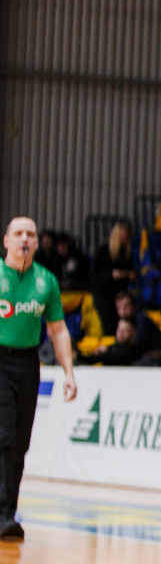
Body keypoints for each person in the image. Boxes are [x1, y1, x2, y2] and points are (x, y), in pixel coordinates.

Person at [0, 217, 77, 540]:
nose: (25, 239)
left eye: (30, 234)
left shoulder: (46, 281)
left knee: (20, 442)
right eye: (18, 233)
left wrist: (68, 372)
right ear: (6, 241)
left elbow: (58, 330)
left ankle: (9, 511)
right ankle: (2, 514)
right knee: (3, 435)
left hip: (29, 362)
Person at [91, 221, 136, 335]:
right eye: (121, 236)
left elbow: (130, 271)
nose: (123, 239)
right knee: (109, 325)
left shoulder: (126, 253)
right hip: (103, 295)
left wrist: (129, 275)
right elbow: (94, 275)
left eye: (125, 237)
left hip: (118, 295)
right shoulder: (104, 251)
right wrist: (110, 275)